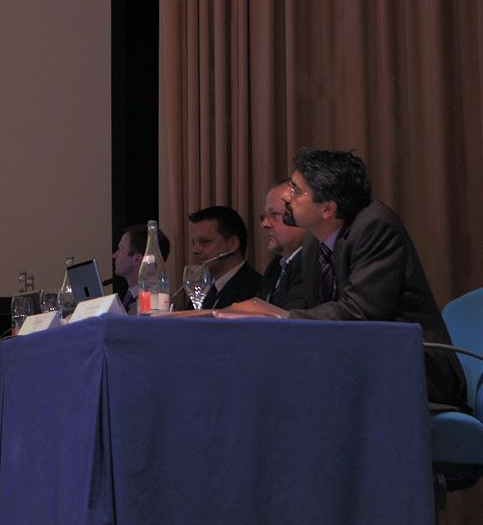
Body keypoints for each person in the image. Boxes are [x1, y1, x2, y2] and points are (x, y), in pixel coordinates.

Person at [229, 148, 465, 407]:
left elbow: (359, 312)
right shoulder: (312, 243)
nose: (287, 197)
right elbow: (318, 313)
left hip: (414, 369)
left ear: (328, 209)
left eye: (296, 190)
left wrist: (278, 315)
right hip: (358, 363)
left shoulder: (375, 226)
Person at [250, 180, 313, 310]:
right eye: (264, 217)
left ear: (303, 217)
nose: (264, 224)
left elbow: (289, 317)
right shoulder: (276, 265)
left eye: (274, 215)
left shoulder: (314, 264)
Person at [184, 206, 261, 310]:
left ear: (233, 244)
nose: (195, 250)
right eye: (194, 243)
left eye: (205, 242)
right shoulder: (204, 290)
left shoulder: (256, 289)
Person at [112, 223, 171, 314]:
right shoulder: (129, 298)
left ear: (137, 259)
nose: (114, 255)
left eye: (120, 249)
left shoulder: (155, 305)